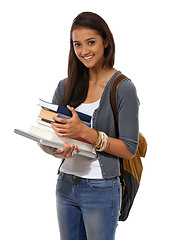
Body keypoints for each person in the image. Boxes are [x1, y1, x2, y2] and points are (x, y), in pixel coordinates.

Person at [39, 12, 139, 240]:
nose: (84, 51)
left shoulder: (123, 88)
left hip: (101, 188)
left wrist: (86, 133)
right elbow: (47, 137)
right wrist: (56, 150)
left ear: (105, 41)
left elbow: (129, 148)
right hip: (65, 184)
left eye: (91, 42)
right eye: (77, 44)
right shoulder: (66, 86)